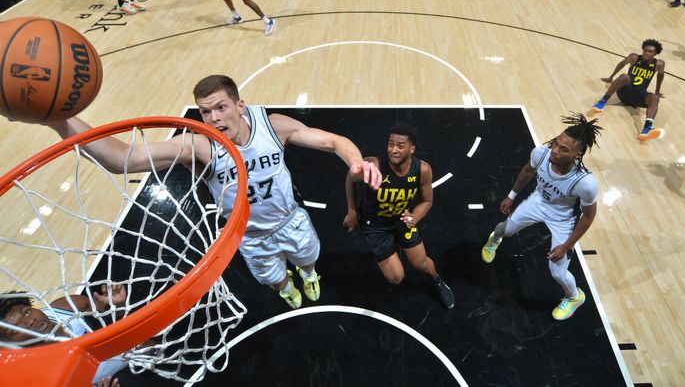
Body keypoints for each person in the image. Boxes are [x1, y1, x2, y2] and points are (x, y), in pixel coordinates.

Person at [47, 75, 381, 310]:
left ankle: (308, 276)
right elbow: (123, 159)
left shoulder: (272, 125)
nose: (213, 118)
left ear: (240, 105)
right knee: (276, 281)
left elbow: (333, 141)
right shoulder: (202, 147)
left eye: (221, 107)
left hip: (290, 221)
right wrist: (58, 119)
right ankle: (288, 288)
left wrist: (355, 163)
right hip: (250, 236)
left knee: (308, 260)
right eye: (205, 111)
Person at [481, 113, 601, 321]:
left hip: (562, 218)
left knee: (557, 273)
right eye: (556, 142)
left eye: (564, 149)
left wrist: (566, 246)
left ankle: (574, 297)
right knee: (503, 229)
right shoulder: (541, 153)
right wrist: (511, 196)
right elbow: (527, 171)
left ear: (578, 153)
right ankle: (494, 240)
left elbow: (588, 217)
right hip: (538, 202)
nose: (555, 150)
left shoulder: (586, 183)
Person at [343, 124, 455, 309]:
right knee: (396, 278)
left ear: (412, 149)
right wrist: (352, 210)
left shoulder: (422, 170)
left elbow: (427, 201)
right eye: (390, 144)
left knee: (421, 263)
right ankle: (387, 254)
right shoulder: (373, 165)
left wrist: (414, 218)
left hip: (402, 221)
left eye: (400, 145)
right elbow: (350, 177)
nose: (393, 149)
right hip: (375, 226)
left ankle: (437, 281)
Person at [0, 285, 129, 384]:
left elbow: (108, 311)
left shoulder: (68, 306)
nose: (30, 321)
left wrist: (117, 303)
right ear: (9, 343)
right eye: (15, 328)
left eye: (27, 312)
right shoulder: (33, 374)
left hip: (132, 352)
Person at [591, 39, 666, 141]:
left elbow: (660, 76)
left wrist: (657, 91)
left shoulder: (659, 64)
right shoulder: (634, 57)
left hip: (639, 96)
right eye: (645, 50)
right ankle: (601, 102)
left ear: (655, 54)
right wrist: (611, 77)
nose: (646, 53)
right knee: (625, 77)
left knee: (654, 98)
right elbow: (621, 64)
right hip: (625, 92)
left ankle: (646, 129)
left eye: (650, 51)